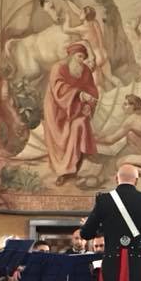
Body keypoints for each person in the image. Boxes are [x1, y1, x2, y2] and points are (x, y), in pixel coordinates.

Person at [43, 43, 99, 186]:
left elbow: (92, 90)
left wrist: (88, 105)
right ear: (71, 56)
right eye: (79, 56)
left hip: (76, 109)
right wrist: (79, 94)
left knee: (81, 124)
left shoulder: (85, 70)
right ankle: (63, 171)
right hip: (57, 109)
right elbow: (59, 88)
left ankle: (76, 166)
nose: (81, 60)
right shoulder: (59, 68)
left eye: (83, 57)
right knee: (62, 138)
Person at [96, 94, 141, 183]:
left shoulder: (131, 120)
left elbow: (111, 140)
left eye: (126, 104)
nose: (123, 107)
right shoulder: (140, 115)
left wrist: (94, 140)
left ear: (133, 106)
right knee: (130, 134)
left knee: (119, 164)